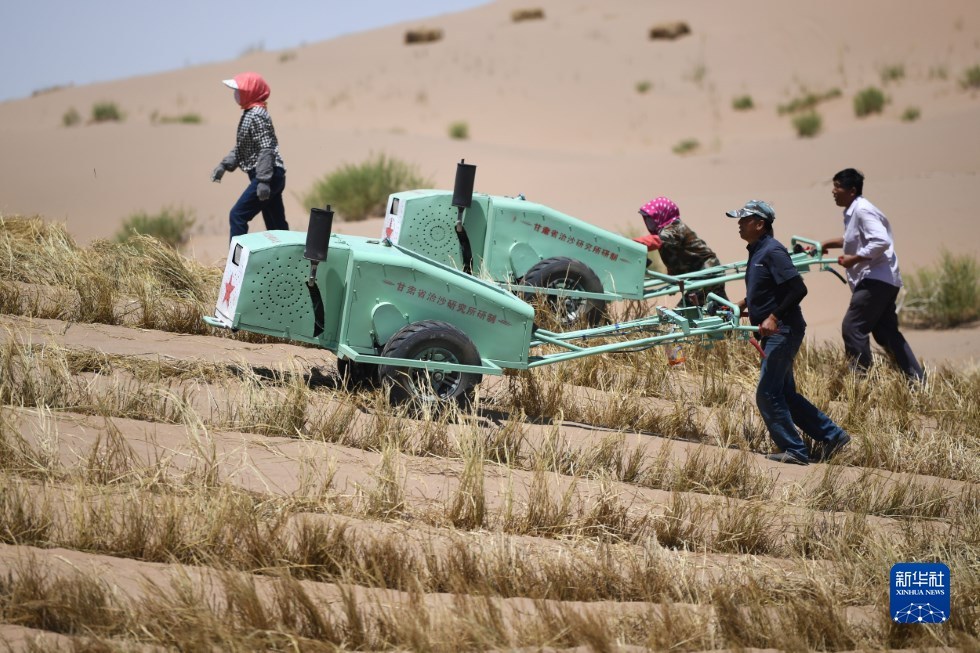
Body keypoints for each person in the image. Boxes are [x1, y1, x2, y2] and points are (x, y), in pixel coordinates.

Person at [728, 199, 850, 465]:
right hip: (775, 332)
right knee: (784, 394)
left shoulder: (773, 251)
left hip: (783, 330)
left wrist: (773, 316)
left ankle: (794, 450)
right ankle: (833, 436)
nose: (739, 224)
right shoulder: (758, 250)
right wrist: (744, 303)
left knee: (767, 393)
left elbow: (798, 289)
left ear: (760, 224)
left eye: (744, 220)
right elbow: (769, 288)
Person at [820, 168, 924, 382]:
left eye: (837, 186)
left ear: (852, 190)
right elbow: (854, 238)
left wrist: (854, 258)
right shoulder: (853, 211)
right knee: (886, 333)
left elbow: (880, 241)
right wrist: (827, 244)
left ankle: (860, 381)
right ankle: (916, 381)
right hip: (883, 280)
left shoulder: (863, 210)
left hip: (875, 279)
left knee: (853, 327)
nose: (833, 191)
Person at [211, 72, 289, 239]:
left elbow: (266, 147)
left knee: (237, 215)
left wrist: (263, 181)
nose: (236, 94)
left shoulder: (257, 115)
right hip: (270, 174)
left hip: (268, 174)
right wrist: (225, 165)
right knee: (277, 226)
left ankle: (236, 263)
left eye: (240, 90)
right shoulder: (250, 113)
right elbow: (243, 146)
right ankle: (294, 261)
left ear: (250, 91)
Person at [633, 196, 728, 305]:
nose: (649, 223)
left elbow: (656, 241)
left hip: (707, 272)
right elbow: (673, 259)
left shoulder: (675, 227)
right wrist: (672, 279)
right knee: (720, 307)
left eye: (651, 219)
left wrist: (628, 244)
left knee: (684, 312)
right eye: (647, 220)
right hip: (698, 275)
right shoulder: (664, 231)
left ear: (662, 215)